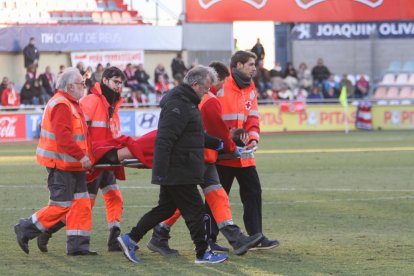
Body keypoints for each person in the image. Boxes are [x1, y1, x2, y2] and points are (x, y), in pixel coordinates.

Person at [147, 61, 263, 257]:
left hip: (199, 157)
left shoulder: (191, 97)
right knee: (187, 201)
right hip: (196, 158)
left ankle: (235, 238)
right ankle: (143, 236)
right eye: (221, 82)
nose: (221, 86)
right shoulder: (208, 100)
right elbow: (216, 132)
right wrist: (233, 148)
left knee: (213, 196)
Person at [117, 66, 228, 264]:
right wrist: (160, 172)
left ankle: (130, 238)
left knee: (165, 209)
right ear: (195, 85)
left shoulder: (186, 103)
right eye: (205, 88)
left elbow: (193, 135)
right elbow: (164, 139)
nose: (207, 92)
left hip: (178, 168)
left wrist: (218, 143)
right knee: (195, 211)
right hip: (179, 169)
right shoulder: (180, 105)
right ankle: (202, 253)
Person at [35, 67, 130, 253]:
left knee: (115, 197)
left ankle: (114, 237)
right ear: (105, 80)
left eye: (121, 83)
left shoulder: (112, 105)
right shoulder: (92, 101)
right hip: (93, 162)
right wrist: (85, 156)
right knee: (83, 206)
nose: (119, 87)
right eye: (116, 82)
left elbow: (110, 132)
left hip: (107, 161)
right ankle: (47, 230)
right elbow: (79, 131)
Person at [14, 67, 96, 256]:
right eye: (81, 84)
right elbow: (64, 137)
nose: (84, 87)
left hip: (72, 166)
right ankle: (26, 228)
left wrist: (84, 158)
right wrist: (82, 157)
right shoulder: (62, 104)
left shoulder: (70, 103)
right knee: (61, 206)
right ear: (69, 86)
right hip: (62, 166)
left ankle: (78, 246)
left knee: (81, 205)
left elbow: (79, 136)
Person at [214, 50, 279, 250]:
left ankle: (256, 237)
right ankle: (208, 240)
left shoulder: (250, 88)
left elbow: (252, 118)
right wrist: (228, 138)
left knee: (253, 192)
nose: (255, 68)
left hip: (243, 154)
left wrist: (252, 139)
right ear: (239, 65)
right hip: (223, 153)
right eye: (251, 64)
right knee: (217, 197)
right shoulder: (220, 84)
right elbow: (211, 117)